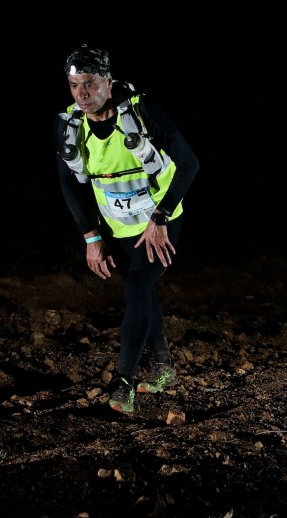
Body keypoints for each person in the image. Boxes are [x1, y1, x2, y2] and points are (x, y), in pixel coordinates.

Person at [53, 44, 199, 416]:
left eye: (90, 83)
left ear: (108, 81)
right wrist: (90, 236)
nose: (82, 93)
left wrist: (161, 217)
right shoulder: (69, 124)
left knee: (137, 286)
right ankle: (163, 367)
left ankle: (124, 382)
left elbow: (189, 164)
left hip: (159, 221)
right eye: (74, 85)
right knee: (141, 291)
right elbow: (68, 181)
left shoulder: (142, 111)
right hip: (117, 226)